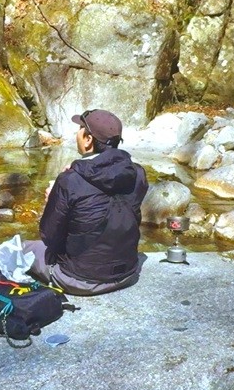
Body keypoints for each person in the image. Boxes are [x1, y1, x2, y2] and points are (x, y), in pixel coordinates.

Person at [26, 109, 148, 295]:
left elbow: (50, 237)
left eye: (81, 128)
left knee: (20, 248)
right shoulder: (138, 173)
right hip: (127, 273)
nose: (77, 132)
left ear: (88, 140)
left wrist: (52, 200)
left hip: (80, 279)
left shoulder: (70, 180)